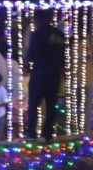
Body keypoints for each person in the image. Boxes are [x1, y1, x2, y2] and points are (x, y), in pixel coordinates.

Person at [26, 12, 65, 141]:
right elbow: (63, 56)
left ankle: (31, 132)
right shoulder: (59, 34)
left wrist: (28, 58)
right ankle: (48, 132)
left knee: (34, 103)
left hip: (40, 73)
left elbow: (30, 56)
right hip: (55, 75)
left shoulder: (37, 35)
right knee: (51, 105)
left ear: (39, 20)